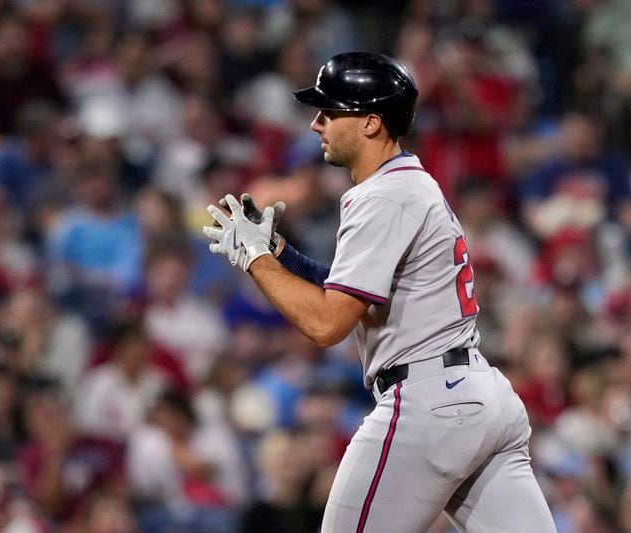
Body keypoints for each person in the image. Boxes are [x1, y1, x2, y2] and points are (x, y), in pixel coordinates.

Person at [203, 52, 555, 532]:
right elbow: (360, 289)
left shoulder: (384, 195)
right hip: (478, 395)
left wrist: (256, 260)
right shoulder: (410, 185)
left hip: (428, 402)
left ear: (371, 123)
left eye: (330, 111)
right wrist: (282, 255)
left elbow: (328, 324)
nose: (315, 123)